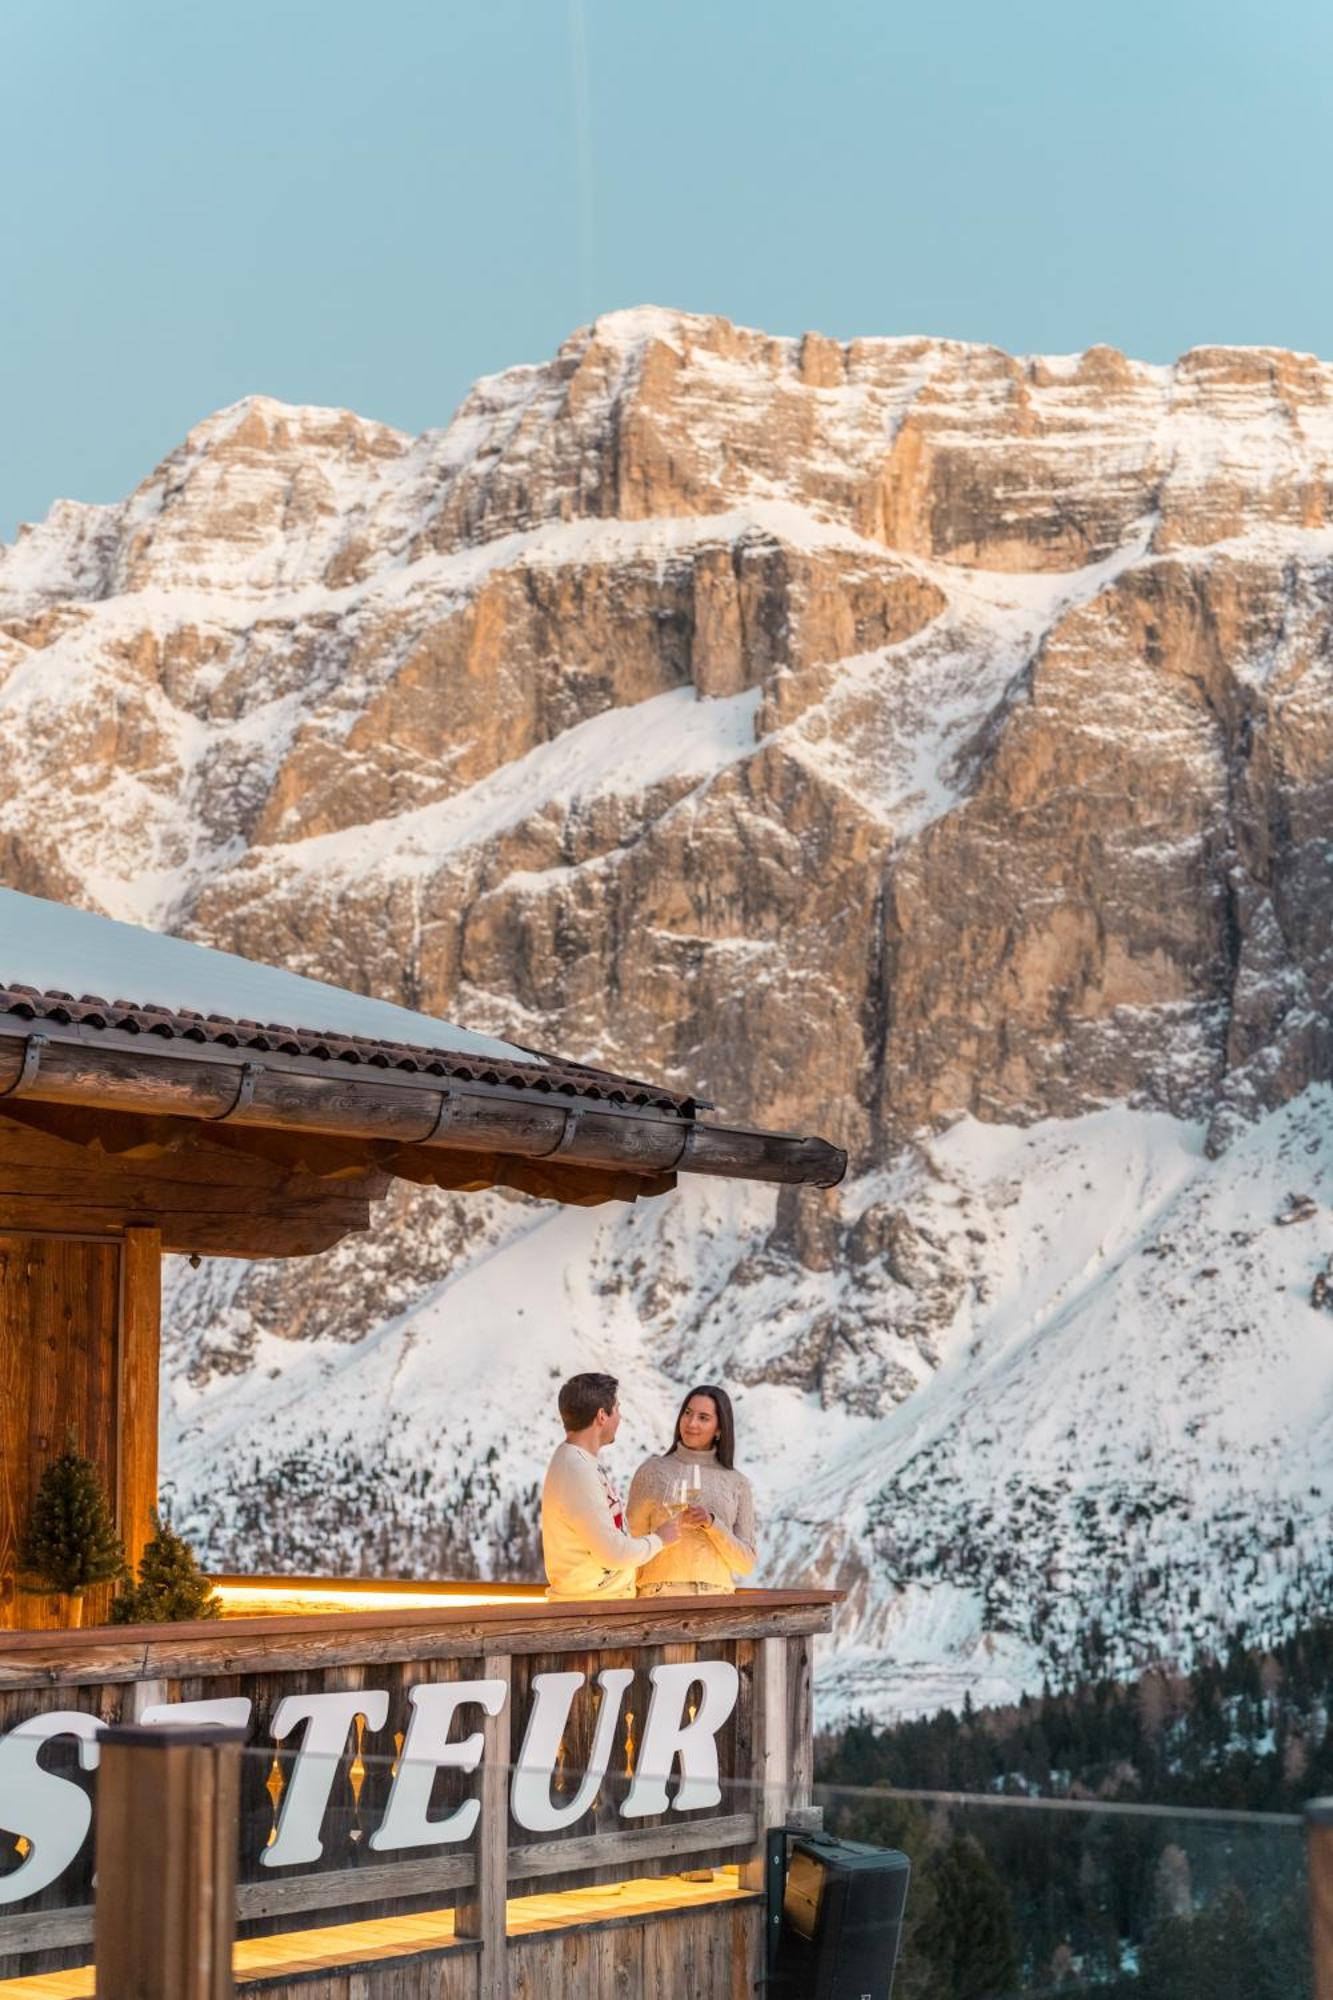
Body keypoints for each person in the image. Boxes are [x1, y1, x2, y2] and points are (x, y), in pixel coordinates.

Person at [541, 1371, 682, 1600]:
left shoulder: (578, 1462)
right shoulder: (576, 1469)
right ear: (601, 1416)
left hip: (598, 1608)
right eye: (617, 1408)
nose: (620, 1417)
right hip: (592, 1612)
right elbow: (613, 1553)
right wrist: (659, 1539)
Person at [628, 1383, 757, 1596]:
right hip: (659, 1597)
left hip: (716, 1601)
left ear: (719, 1429)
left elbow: (746, 1564)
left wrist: (712, 1524)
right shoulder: (651, 1471)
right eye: (687, 1413)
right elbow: (632, 1547)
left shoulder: (737, 1482)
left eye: (703, 1417)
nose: (691, 1423)